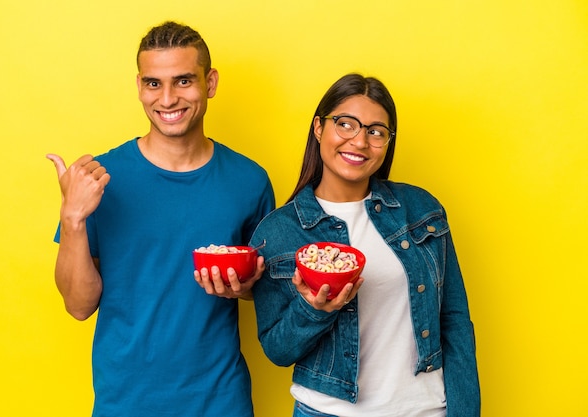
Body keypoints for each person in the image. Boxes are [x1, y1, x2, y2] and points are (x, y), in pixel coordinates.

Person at [46, 21, 275, 417]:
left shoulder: (249, 181)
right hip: (126, 401)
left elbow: (265, 288)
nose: (167, 99)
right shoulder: (101, 179)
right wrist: (72, 217)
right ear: (139, 86)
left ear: (211, 82)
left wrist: (246, 285)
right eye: (154, 83)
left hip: (220, 400)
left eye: (183, 81)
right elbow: (79, 306)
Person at [248, 73, 480, 417]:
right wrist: (314, 310)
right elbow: (277, 350)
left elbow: (455, 321)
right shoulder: (280, 231)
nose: (359, 142)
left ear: (387, 142)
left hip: (425, 410)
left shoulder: (420, 209)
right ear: (318, 128)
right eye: (345, 124)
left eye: (375, 132)